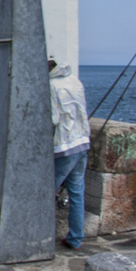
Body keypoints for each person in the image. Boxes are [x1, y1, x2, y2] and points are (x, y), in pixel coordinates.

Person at [49, 58, 91, 250]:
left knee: (46, 192)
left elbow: (53, 118)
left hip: (65, 147)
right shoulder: (74, 80)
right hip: (82, 142)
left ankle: (40, 237)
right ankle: (75, 238)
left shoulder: (50, 85)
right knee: (76, 194)